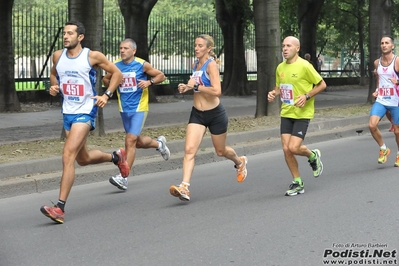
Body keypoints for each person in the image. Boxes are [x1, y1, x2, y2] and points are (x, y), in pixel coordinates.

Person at [40, 21, 128, 224]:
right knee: (83, 158)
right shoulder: (57, 56)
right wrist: (54, 87)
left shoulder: (92, 56)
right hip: (68, 113)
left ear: (80, 37)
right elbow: (54, 74)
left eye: (70, 33)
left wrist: (106, 95)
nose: (65, 36)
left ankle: (59, 208)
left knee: (67, 155)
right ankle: (115, 157)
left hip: (86, 111)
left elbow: (117, 73)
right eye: (64, 33)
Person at [169, 34, 248, 202]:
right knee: (189, 150)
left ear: (208, 48)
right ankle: (185, 187)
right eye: (195, 45)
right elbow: (193, 82)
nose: (196, 48)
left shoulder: (211, 65)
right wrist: (186, 87)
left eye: (200, 46)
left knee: (221, 151)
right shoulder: (195, 64)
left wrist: (197, 86)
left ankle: (239, 162)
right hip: (197, 114)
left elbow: (217, 91)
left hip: (215, 114)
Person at [103, 38, 170, 190]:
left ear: (133, 51)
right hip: (124, 109)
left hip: (139, 107)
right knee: (136, 142)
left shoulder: (141, 64)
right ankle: (159, 144)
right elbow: (105, 79)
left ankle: (124, 177)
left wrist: (149, 82)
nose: (122, 51)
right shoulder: (115, 65)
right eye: (121, 48)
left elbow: (161, 75)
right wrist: (114, 83)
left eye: (126, 48)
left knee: (130, 140)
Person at [267, 36, 326, 196]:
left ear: (297, 49)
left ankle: (312, 155)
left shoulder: (305, 66)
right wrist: (273, 93)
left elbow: (322, 84)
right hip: (286, 112)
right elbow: (279, 88)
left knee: (293, 147)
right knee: (287, 150)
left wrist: (307, 96)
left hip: (302, 113)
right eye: (283, 46)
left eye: (289, 46)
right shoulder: (280, 67)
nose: (285, 49)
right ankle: (297, 182)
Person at [369, 35, 399, 166]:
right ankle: (383, 148)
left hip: (395, 101)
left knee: (397, 131)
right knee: (371, 125)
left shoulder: (397, 61)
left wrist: (397, 81)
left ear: (392, 46)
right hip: (381, 100)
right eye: (382, 43)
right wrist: (376, 90)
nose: (384, 45)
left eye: (387, 43)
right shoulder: (377, 62)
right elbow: (378, 80)